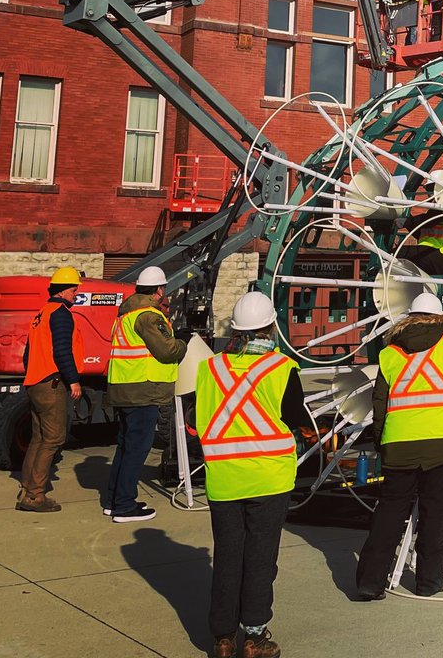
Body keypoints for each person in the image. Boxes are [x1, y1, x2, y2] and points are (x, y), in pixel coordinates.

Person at [355, 291, 443, 600]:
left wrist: (382, 440)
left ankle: (370, 581)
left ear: (407, 318)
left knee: (390, 511)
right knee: (435, 511)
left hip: (400, 442)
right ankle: (429, 580)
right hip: (442, 441)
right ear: (441, 318)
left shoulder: (390, 353)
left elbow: (380, 401)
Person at [195, 292, 305, 658]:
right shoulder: (282, 367)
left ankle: (223, 638)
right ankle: (255, 637)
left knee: (228, 555)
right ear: (272, 326)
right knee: (260, 557)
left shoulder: (209, 368)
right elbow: (295, 419)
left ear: (236, 330)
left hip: (224, 477)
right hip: (269, 477)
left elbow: (200, 421)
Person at [104, 265, 186, 523]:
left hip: (125, 387)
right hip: (143, 389)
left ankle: (113, 500)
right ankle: (125, 506)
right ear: (159, 290)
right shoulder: (148, 316)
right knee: (137, 449)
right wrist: (183, 343)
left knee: (126, 446)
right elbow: (167, 350)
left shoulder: (125, 314)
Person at [18, 265, 85, 512]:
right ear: (67, 290)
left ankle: (27, 486)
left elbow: (28, 354)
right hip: (51, 382)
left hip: (35, 381)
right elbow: (62, 351)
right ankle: (35, 496)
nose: (76, 293)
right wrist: (74, 379)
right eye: (75, 289)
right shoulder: (61, 314)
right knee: (54, 438)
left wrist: (34, 374)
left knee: (39, 437)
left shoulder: (42, 313)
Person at [403, 211, 443, 279]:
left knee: (396, 255)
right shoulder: (430, 219)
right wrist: (408, 223)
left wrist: (407, 222)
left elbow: (431, 218)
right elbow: (421, 231)